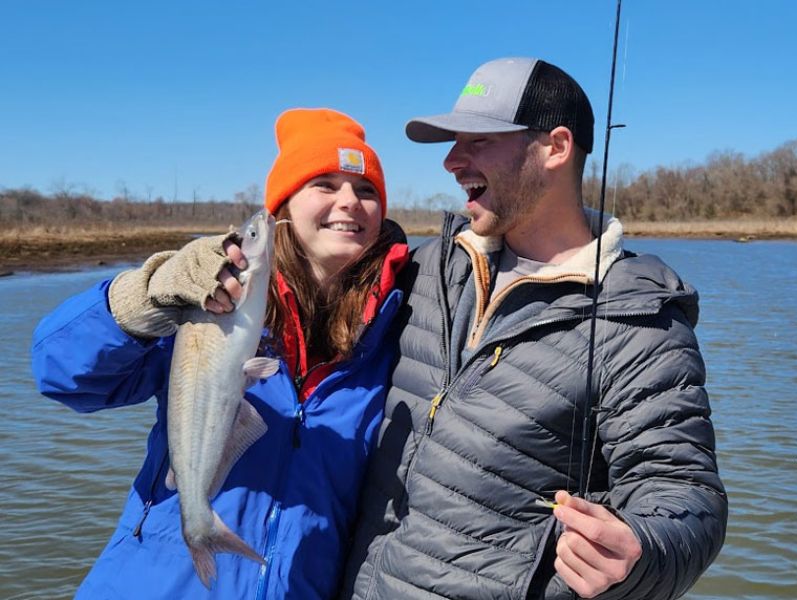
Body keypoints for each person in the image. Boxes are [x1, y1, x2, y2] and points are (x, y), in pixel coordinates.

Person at [340, 57, 728, 600]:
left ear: (555, 148)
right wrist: (207, 273)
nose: (453, 160)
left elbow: (684, 495)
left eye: (478, 140)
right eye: (454, 141)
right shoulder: (427, 269)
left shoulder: (640, 321)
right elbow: (302, 282)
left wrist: (641, 551)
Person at [31, 108, 409, 599]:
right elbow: (63, 376)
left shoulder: (401, 333)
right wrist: (146, 296)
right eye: (324, 184)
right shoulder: (210, 293)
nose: (349, 203)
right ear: (283, 207)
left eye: (366, 191)